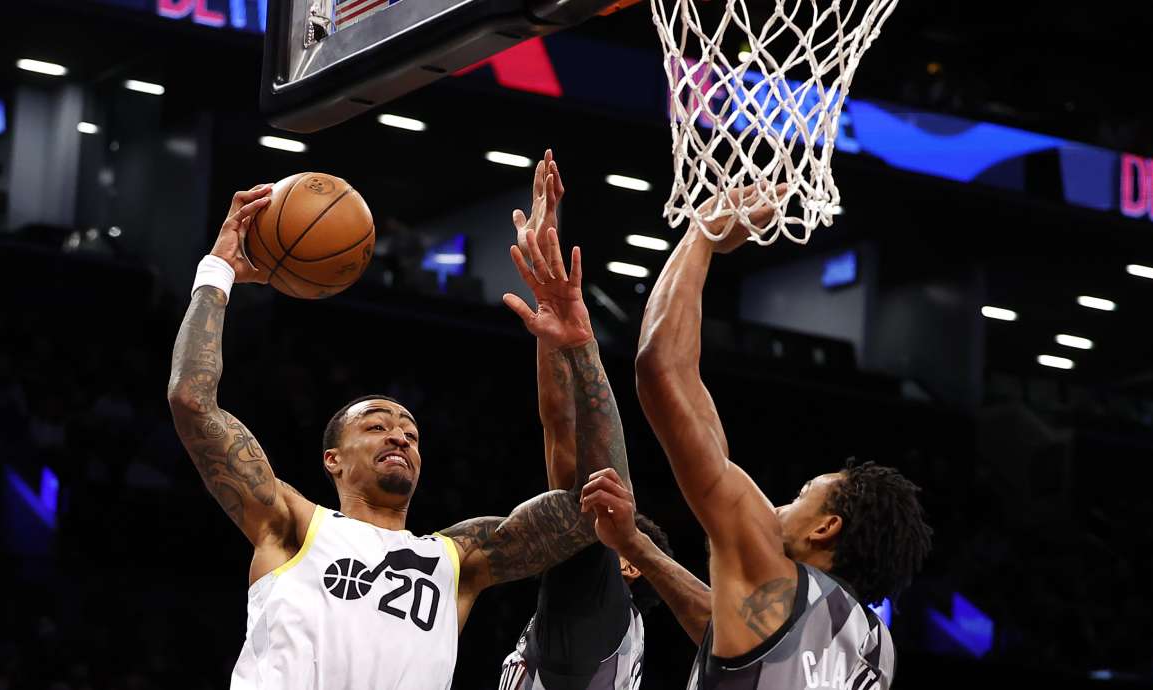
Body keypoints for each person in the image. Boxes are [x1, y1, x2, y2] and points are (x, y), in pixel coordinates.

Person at [165, 183, 630, 690]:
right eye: (376, 426)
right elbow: (192, 400)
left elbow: (601, 504)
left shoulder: (457, 559)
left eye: (410, 432)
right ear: (333, 459)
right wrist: (218, 270)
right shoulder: (290, 524)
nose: (400, 437)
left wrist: (582, 346)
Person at [608, 188, 933, 689]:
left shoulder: (772, 574)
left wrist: (702, 234)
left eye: (801, 496)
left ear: (826, 528)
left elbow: (661, 370)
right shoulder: (874, 648)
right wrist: (641, 550)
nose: (779, 506)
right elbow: (725, 626)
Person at [498, 151, 674, 690]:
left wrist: (578, 343)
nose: (589, 519)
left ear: (630, 566)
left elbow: (582, 467)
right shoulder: (598, 627)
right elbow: (559, 428)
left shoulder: (597, 603)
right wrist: (551, 319)